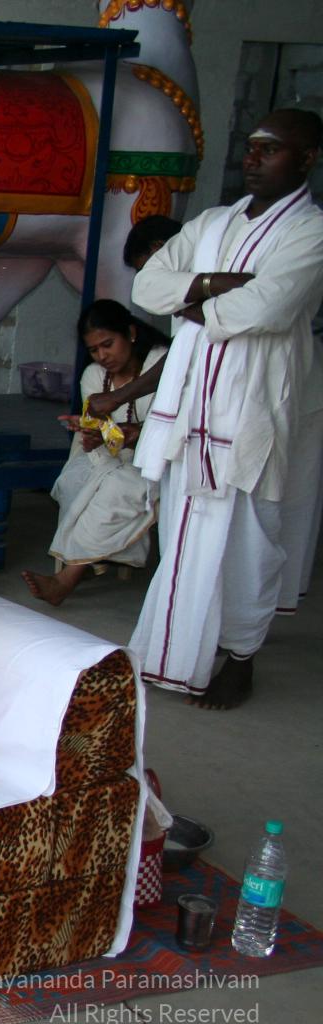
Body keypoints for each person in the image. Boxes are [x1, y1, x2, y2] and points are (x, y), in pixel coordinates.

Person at [118, 109, 323, 710]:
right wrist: (212, 284)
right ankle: (171, 653)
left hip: (254, 403)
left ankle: (240, 655)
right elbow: (147, 286)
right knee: (184, 531)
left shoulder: (310, 231)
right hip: (191, 405)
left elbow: (266, 308)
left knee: (250, 536)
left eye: (271, 149)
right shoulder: (213, 221)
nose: (253, 158)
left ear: (307, 159)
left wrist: (191, 301)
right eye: (252, 147)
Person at [23, 301, 169, 607]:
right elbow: (103, 432)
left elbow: (170, 427)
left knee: (116, 486)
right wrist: (91, 435)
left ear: (130, 333)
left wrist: (127, 434)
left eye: (108, 344)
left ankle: (66, 580)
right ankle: (89, 559)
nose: (102, 356)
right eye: (94, 350)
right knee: (74, 480)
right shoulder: (93, 375)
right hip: (112, 459)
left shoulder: (160, 362)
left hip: (155, 462)